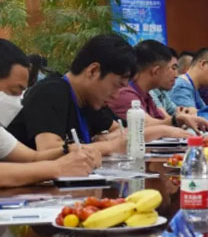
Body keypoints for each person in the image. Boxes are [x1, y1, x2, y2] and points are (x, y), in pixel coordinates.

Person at [7, 34, 135, 153]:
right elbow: (49, 149)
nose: (116, 95)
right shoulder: (50, 92)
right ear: (93, 71)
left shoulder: (90, 101)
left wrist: (106, 139)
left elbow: (123, 132)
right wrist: (109, 146)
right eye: (116, 86)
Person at [0, 39, 100, 187]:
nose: (17, 101)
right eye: (14, 91)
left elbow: (33, 158)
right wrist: (57, 168)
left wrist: (68, 149)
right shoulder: (50, 92)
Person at [108, 40, 208, 133]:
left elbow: (162, 121)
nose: (176, 75)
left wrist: (181, 120)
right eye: (171, 68)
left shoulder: (146, 94)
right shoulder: (125, 93)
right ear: (156, 71)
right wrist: (176, 120)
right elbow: (145, 125)